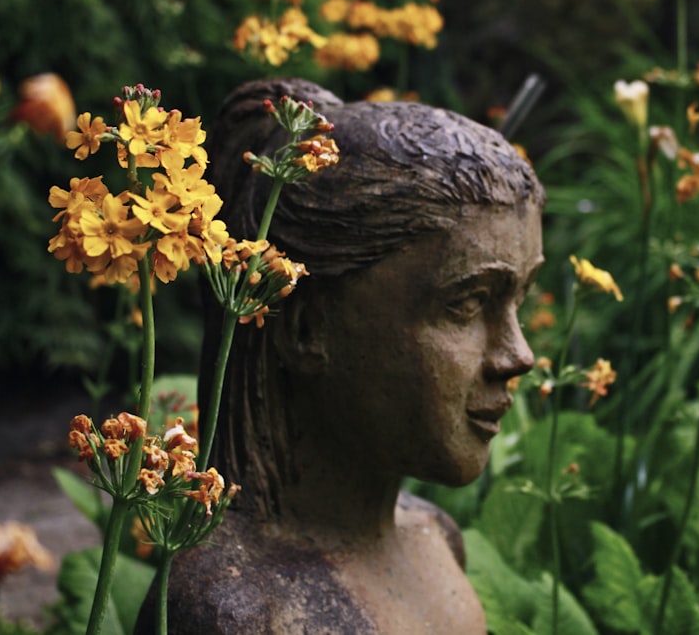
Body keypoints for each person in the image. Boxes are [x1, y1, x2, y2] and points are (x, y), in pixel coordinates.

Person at [156, 78, 545, 634]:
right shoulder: (236, 610)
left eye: (519, 301)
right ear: (306, 325)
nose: (520, 355)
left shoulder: (435, 538)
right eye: (467, 303)